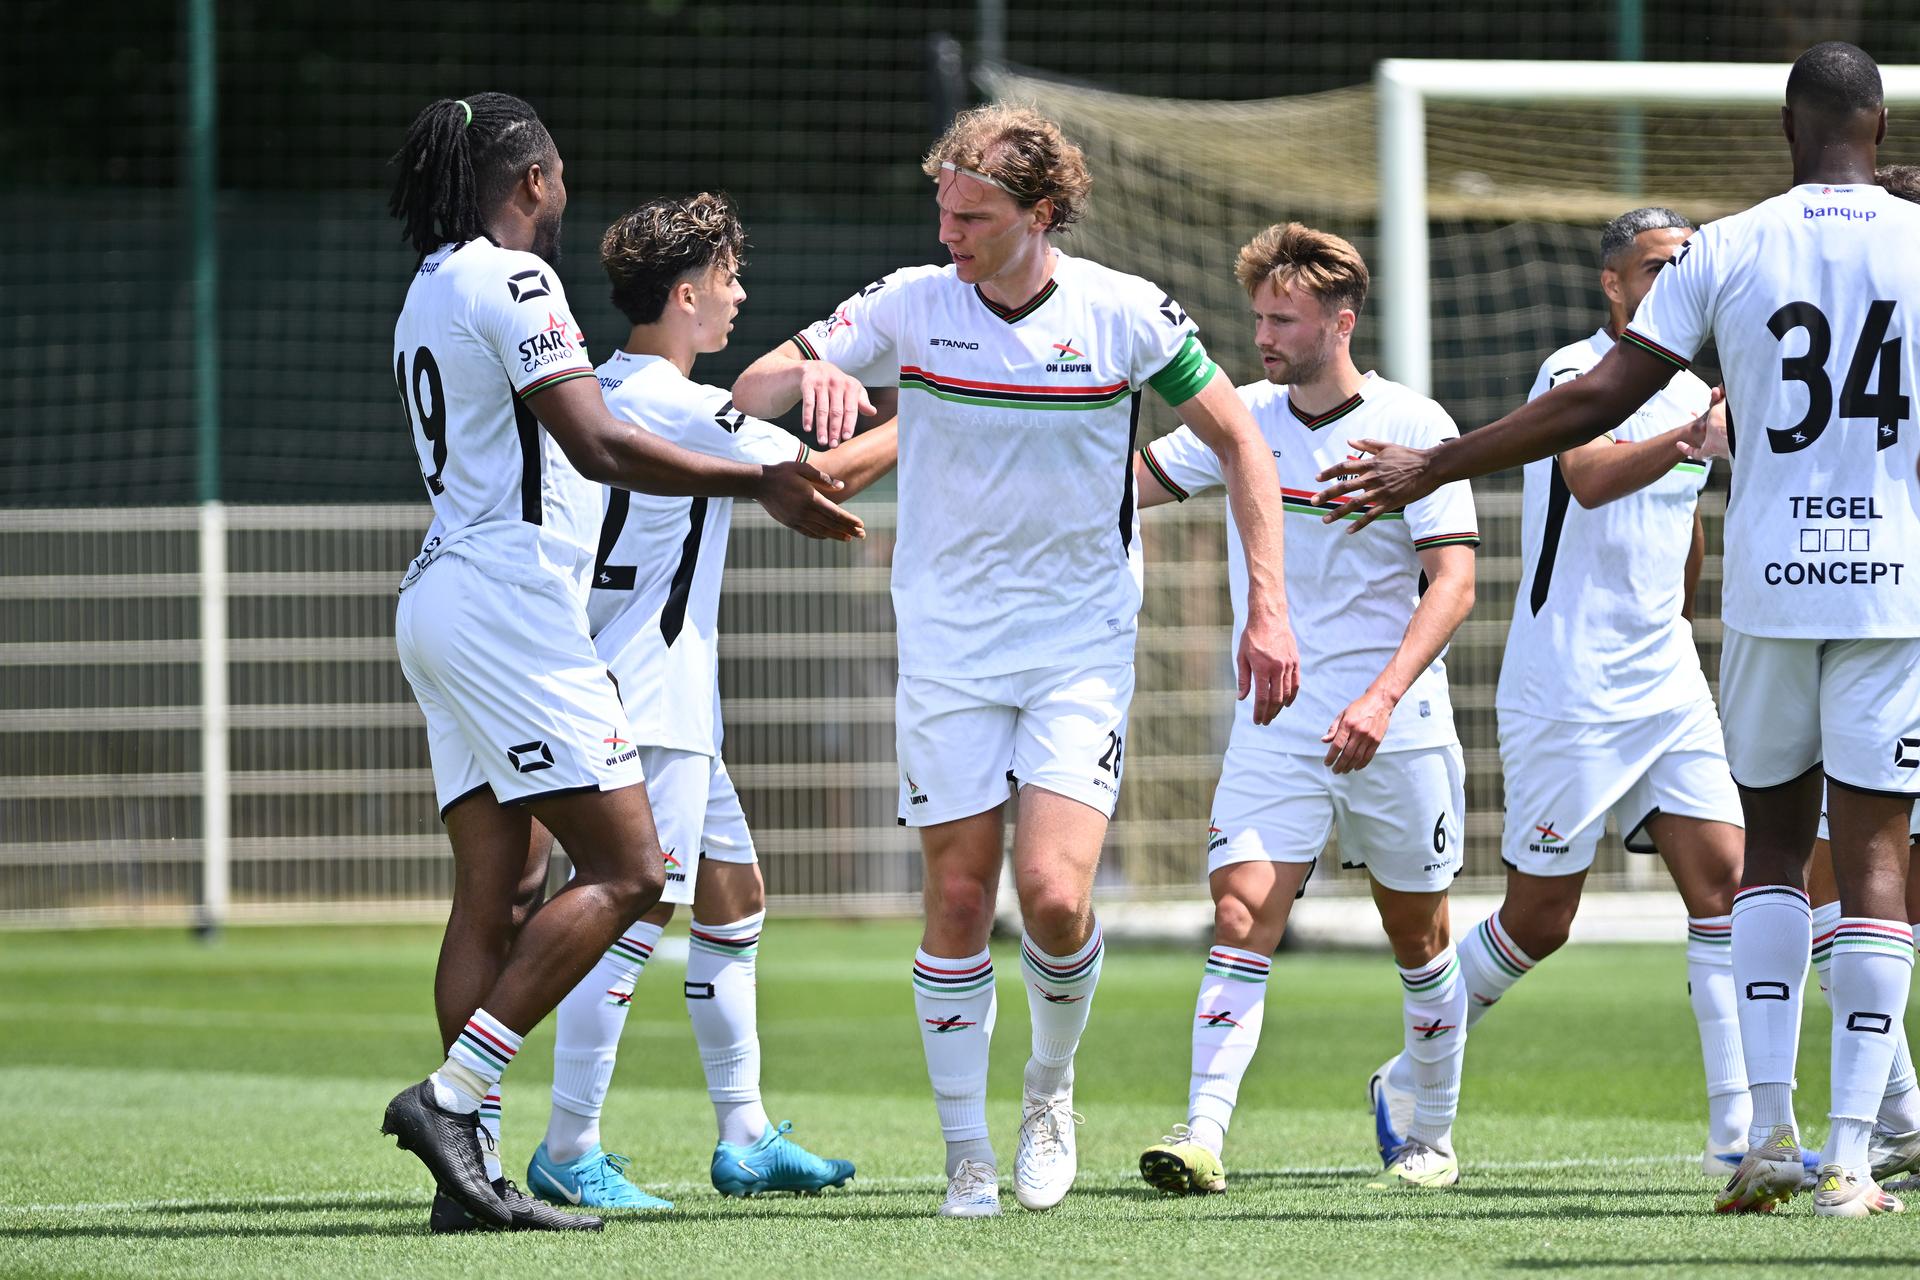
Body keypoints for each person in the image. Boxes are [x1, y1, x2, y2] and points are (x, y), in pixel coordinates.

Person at [1315, 42, 1920, 1217]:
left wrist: (1437, 461)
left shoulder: (1732, 246)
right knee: (1882, 859)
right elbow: (1596, 422)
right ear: (1882, 129)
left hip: (1764, 603)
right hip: (1888, 593)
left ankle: (1767, 1133)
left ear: (1787, 132)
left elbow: (1596, 403)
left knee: (1765, 861)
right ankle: (1852, 1155)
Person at [732, 105, 1301, 1217]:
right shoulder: (908, 302)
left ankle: (1049, 1086)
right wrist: (816, 381)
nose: (951, 230)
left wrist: (1267, 605)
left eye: (975, 215)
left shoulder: (1125, 313)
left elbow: (1240, 438)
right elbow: (753, 385)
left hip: (1077, 644)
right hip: (945, 644)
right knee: (954, 895)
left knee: (1048, 895)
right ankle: (965, 1154)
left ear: (1042, 215)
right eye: (944, 209)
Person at [377, 93, 862, 1233]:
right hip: (508, 597)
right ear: (532, 181)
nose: (562, 197)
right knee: (634, 870)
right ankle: (456, 1100)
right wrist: (761, 480)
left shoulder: (425, 288)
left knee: (494, 892)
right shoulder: (514, 276)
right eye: (557, 175)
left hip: (438, 588)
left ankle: (474, 1172)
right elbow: (594, 439)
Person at [524, 193, 891, 1208]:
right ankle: (569, 1144)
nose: (740, 295)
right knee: (634, 911)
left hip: (653, 693)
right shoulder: (668, 403)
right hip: (648, 699)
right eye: (728, 279)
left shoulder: (604, 387)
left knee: (735, 899)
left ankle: (745, 1134)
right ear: (685, 295)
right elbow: (820, 480)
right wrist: (933, 412)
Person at [1368, 207, 1748, 1178]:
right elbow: (1586, 476)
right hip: (1567, 685)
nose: (1672, 282)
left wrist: (1683, 609)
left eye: (1684, 266)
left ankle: (1738, 1135)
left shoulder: (1702, 386)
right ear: (1613, 284)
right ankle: (1411, 1071)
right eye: (1655, 267)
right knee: (1543, 918)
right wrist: (1691, 438)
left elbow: (1686, 525)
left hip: (1665, 680)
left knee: (1728, 891)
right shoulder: (1574, 373)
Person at [1129, 223, 1479, 1195]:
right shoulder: (1237, 417)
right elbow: (1128, 485)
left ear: (1341, 320)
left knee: (1419, 933)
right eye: (1258, 317)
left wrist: (1379, 695)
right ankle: (1200, 1132)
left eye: (1284, 317)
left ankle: (1431, 1132)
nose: (1265, 334)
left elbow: (1452, 582)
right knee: (1242, 909)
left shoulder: (1415, 422)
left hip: (1394, 724)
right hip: (1276, 717)